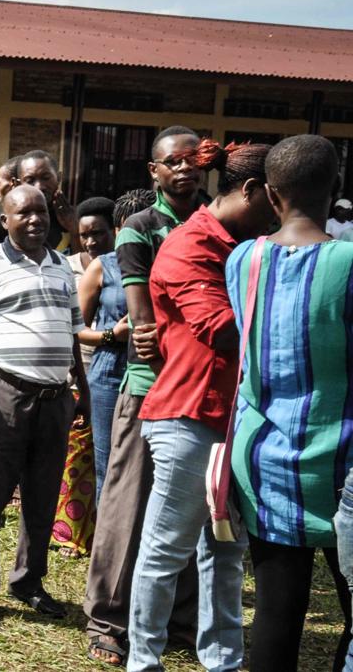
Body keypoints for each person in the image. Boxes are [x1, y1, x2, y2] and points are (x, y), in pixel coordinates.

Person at [127, 139, 276, 672]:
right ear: (253, 192)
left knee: (226, 551)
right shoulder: (193, 246)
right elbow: (223, 330)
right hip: (188, 417)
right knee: (167, 549)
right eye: (277, 204)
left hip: (234, 418)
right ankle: (142, 661)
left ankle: (222, 661)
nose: (282, 217)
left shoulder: (242, 242)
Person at [226, 135, 353, 672]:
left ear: (271, 196)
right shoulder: (348, 261)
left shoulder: (243, 259)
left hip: (266, 463)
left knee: (277, 618)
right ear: (338, 189)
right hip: (341, 467)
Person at [83, 126, 205, 667]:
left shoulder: (218, 223)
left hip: (204, 392)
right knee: (126, 505)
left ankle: (180, 618)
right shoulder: (140, 228)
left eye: (192, 159)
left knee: (192, 511)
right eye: (171, 161)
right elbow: (144, 327)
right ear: (153, 172)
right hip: (148, 387)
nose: (183, 168)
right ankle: (108, 618)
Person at [0, 184, 90, 628]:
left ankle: (28, 581)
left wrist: (80, 388)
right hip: (4, 395)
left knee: (42, 496)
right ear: (5, 220)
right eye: (23, 213)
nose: (35, 220)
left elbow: (72, 333)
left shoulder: (61, 268)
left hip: (54, 399)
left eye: (41, 212)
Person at [50, 196, 117, 558]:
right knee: (78, 459)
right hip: (82, 369)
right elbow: (74, 328)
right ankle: (72, 535)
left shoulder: (125, 266)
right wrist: (111, 337)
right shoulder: (71, 266)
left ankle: (104, 533)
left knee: (105, 460)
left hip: (111, 372)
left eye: (99, 233)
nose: (91, 241)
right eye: (84, 234)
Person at [77, 190, 151, 502]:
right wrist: (112, 335)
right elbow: (76, 329)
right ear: (119, 230)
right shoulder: (102, 267)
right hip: (109, 372)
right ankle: (107, 545)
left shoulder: (169, 263)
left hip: (154, 370)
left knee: (149, 464)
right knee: (108, 463)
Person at [0, 150, 76, 255]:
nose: (39, 186)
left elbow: (84, 264)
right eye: (30, 180)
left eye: (46, 178)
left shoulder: (72, 218)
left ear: (59, 178)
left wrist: (74, 231)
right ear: (17, 183)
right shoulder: (3, 224)